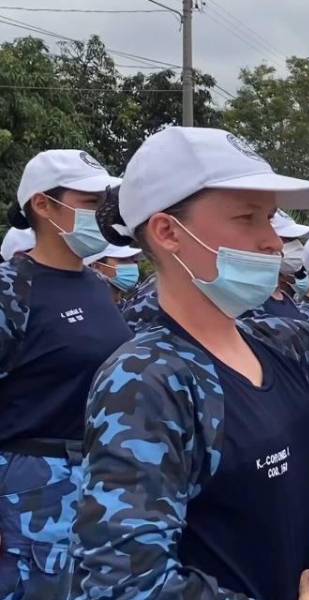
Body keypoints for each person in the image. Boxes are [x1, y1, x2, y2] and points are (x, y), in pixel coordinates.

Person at [72, 127, 309, 600]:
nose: (272, 242)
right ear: (168, 232)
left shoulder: (286, 344)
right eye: (247, 218)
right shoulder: (146, 381)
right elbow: (123, 583)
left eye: (269, 219)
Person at [0, 149, 127, 599]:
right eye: (90, 202)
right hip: (32, 497)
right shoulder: (11, 289)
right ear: (43, 205)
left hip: (98, 487)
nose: (102, 214)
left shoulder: (96, 285)